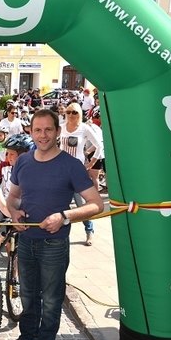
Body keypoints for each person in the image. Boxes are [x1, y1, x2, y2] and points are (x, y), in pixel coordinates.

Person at [0, 108, 103, 340]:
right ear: (30, 132)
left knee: (52, 299)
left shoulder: (71, 165)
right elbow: (13, 199)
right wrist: (14, 214)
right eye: (37, 130)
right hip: (27, 240)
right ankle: (27, 338)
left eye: (48, 130)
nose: (42, 135)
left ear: (58, 132)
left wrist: (64, 216)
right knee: (28, 294)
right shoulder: (23, 162)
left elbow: (96, 205)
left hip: (54, 244)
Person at [59, 102, 103, 246]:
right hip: (61, 171)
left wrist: (90, 164)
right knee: (59, 203)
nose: (71, 115)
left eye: (75, 112)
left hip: (77, 172)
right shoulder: (62, 127)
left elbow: (99, 146)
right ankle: (59, 235)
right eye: (69, 112)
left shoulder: (84, 128)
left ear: (80, 114)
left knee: (81, 204)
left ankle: (89, 231)